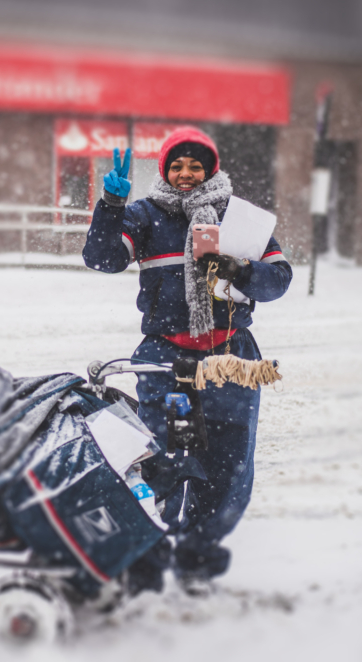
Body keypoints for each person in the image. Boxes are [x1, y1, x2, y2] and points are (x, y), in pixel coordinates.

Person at [82, 126, 292, 595]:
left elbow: (278, 279)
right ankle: (148, 559)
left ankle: (197, 560)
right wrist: (111, 207)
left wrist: (238, 269)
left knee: (226, 471)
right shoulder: (145, 216)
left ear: (211, 168)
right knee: (163, 464)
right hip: (167, 360)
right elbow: (102, 258)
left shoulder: (242, 220)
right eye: (176, 165)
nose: (185, 173)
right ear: (164, 169)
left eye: (195, 165)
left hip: (231, 360)